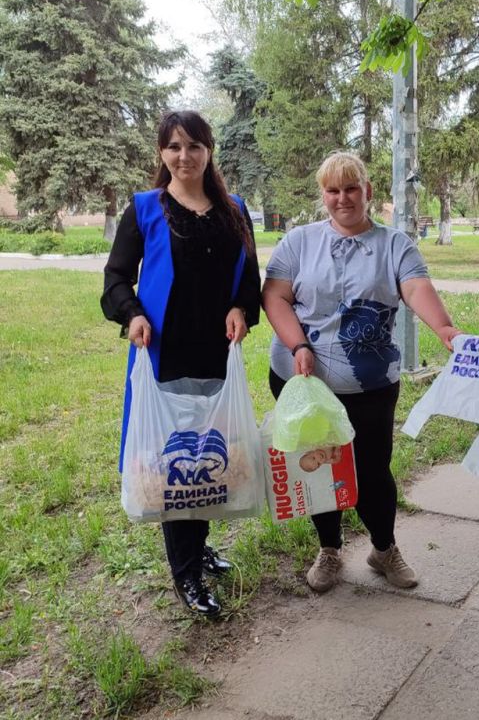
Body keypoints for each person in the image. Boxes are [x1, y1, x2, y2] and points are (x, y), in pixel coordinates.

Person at [262, 151, 460, 593]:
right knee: (317, 466)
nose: (343, 198)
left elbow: (415, 287)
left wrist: (444, 328)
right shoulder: (299, 242)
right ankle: (329, 549)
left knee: (373, 470)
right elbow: (274, 296)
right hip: (304, 380)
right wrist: (298, 344)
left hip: (370, 384)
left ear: (368, 192)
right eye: (333, 190)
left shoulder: (394, 244)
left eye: (351, 188)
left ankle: (383, 548)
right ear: (323, 196)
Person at [102, 110, 261, 618]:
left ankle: (200, 546)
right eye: (173, 147)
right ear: (161, 153)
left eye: (194, 146)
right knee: (174, 462)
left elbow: (248, 281)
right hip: (164, 355)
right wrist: (131, 316)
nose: (184, 156)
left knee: (211, 458)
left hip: (216, 353)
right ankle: (186, 573)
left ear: (209, 150)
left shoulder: (234, 210)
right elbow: (115, 279)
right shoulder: (146, 209)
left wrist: (240, 308)